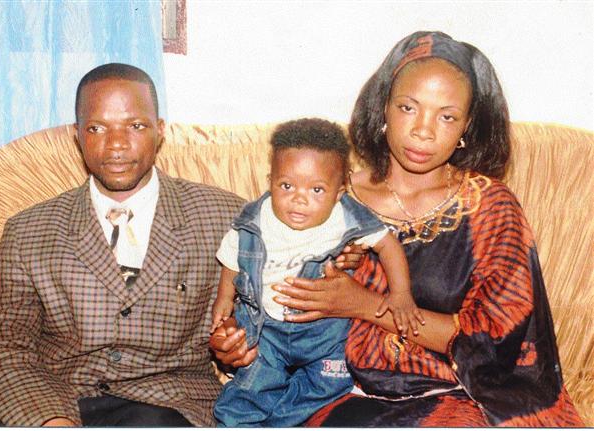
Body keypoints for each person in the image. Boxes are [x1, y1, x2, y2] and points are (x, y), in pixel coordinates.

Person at [211, 31, 584, 426]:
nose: (424, 130)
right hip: (338, 395)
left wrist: (364, 304)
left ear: (467, 127)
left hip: (457, 393)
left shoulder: (488, 209)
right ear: (384, 108)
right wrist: (237, 345)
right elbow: (262, 296)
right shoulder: (326, 196)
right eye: (408, 108)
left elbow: (494, 342)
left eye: (447, 116)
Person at [0, 63, 249, 427]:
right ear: (78, 135)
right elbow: (2, 348)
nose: (117, 144)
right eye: (97, 128)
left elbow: (272, 322)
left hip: (171, 406)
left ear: (160, 130)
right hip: (55, 398)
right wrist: (50, 420)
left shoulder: (226, 217)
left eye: (135, 126)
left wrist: (241, 345)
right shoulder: (28, 230)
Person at [210, 118, 421, 426]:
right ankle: (236, 423)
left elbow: (387, 245)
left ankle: (280, 421)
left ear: (339, 191)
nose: (299, 198)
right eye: (286, 185)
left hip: (324, 331)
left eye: (317, 189)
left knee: (330, 384)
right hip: (265, 327)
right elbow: (233, 260)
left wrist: (401, 294)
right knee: (253, 385)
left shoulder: (347, 216)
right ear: (270, 180)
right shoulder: (254, 219)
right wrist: (224, 300)